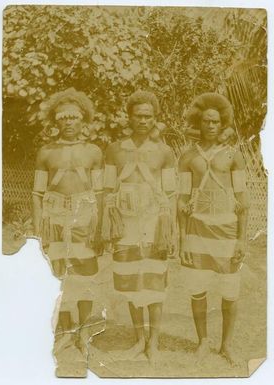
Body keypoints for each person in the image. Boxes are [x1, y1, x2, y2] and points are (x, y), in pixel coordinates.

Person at [32, 88, 104, 377]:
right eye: (64, 118)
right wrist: (40, 230)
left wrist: (100, 228)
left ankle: (84, 332)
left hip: (86, 217)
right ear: (56, 121)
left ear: (83, 120)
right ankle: (63, 332)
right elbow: (37, 193)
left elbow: (100, 192)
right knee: (58, 276)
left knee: (86, 274)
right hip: (54, 217)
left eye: (74, 118)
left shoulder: (93, 152)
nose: (69, 123)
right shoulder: (46, 152)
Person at [103, 90, 177, 362]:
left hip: (155, 222)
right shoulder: (114, 150)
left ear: (155, 118)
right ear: (130, 117)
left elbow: (169, 193)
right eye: (138, 116)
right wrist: (106, 225)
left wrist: (171, 230)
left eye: (149, 116)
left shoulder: (164, 152)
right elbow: (107, 189)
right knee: (132, 281)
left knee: (155, 282)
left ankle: (154, 344)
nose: (143, 120)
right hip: (124, 224)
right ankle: (138, 340)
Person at [178, 93, 249, 364]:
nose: (210, 125)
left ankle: (226, 345)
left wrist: (242, 239)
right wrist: (183, 238)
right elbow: (182, 200)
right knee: (197, 289)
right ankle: (203, 342)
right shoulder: (187, 158)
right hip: (197, 231)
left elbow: (242, 200)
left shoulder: (234, 156)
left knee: (230, 291)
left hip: (228, 231)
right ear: (199, 122)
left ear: (222, 124)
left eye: (215, 121)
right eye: (206, 121)